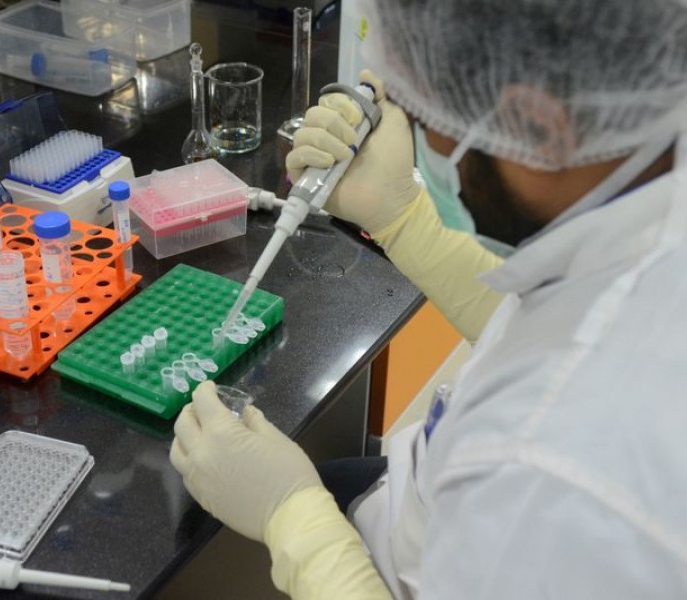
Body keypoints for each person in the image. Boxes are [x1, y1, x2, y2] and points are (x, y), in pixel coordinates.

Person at [170, 0, 687, 597]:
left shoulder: (548, 475)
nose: (422, 145)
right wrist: (404, 220)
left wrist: (296, 518)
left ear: (538, 129)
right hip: (421, 503)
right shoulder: (651, 176)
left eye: (429, 118)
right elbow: (560, 325)